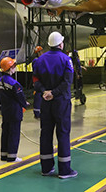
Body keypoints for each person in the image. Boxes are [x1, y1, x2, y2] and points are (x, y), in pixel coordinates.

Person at [33, 31, 77, 179]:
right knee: (63, 133)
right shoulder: (66, 60)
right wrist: (54, 92)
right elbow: (67, 82)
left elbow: (35, 81)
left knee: (45, 133)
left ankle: (46, 168)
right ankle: (64, 170)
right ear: (60, 44)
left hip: (46, 102)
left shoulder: (39, 60)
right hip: (61, 102)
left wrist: (45, 92)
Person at [0, 57, 29, 162]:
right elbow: (20, 96)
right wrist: (25, 104)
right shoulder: (13, 83)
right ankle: (12, 156)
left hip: (5, 110)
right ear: (10, 68)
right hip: (15, 111)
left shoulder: (0, 80)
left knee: (6, 132)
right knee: (14, 133)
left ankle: (4, 155)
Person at [32, 46, 44, 119]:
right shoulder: (36, 61)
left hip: (39, 80)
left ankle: (39, 112)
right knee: (38, 96)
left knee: (40, 96)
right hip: (38, 81)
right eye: (41, 51)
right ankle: (37, 113)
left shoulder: (39, 60)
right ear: (38, 53)